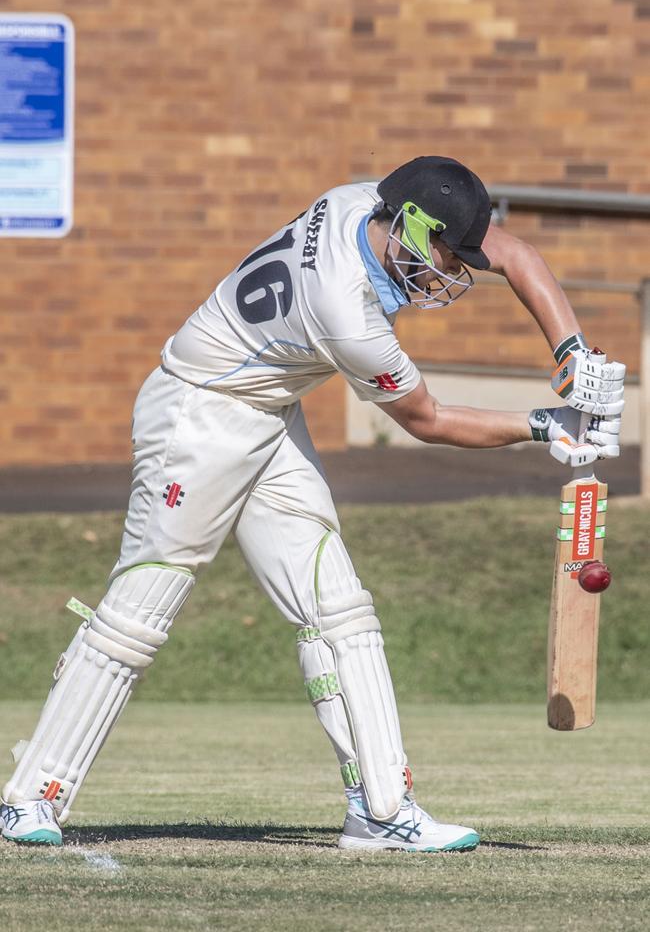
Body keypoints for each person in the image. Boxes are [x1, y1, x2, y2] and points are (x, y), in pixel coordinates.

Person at [0, 156, 625, 851]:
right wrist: (541, 425)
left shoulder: (366, 201)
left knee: (340, 611)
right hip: (198, 415)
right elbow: (427, 419)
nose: (455, 270)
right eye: (450, 254)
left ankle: (382, 811)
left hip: (269, 414)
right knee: (138, 616)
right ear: (412, 228)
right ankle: (30, 797)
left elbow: (512, 251)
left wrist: (570, 350)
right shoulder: (344, 309)